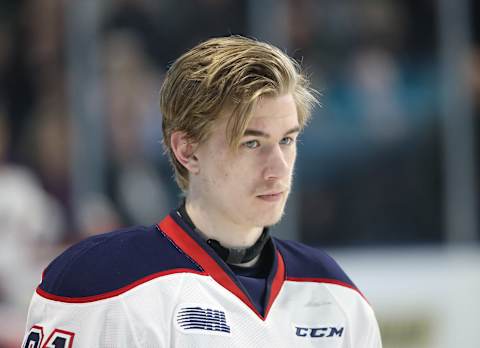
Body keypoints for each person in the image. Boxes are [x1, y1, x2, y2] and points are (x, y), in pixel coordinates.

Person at [22, 35, 382, 347]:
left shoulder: (332, 292)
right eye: (251, 143)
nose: (278, 168)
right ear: (187, 150)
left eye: (286, 140)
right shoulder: (105, 283)